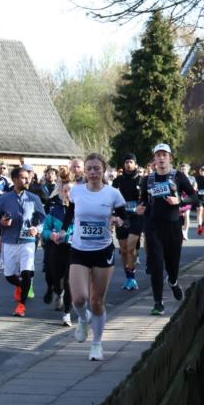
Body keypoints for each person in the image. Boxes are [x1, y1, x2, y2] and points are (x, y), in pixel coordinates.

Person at [56, 154, 128, 360]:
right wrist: (63, 231)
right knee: (79, 298)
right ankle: (82, 318)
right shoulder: (76, 191)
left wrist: (118, 221)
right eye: (89, 169)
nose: (93, 172)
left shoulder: (113, 194)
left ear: (103, 170)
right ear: (84, 171)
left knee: (97, 302)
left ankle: (96, 344)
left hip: (103, 250)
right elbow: (71, 213)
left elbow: (125, 218)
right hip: (79, 249)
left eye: (97, 168)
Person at [137, 143, 196, 316]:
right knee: (156, 265)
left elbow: (194, 197)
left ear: (170, 158)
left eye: (164, 155)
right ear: (154, 159)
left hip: (173, 226)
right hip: (153, 227)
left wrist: (180, 202)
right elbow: (143, 201)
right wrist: (141, 208)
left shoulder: (178, 176)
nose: (161, 158)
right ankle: (158, 303)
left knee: (172, 264)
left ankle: (173, 280)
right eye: (158, 155)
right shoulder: (147, 180)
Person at [0, 166, 46, 317]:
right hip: (9, 240)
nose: (26, 180)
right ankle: (21, 286)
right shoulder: (4, 198)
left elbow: (43, 218)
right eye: (23, 177)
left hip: (28, 241)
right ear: (15, 179)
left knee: (27, 273)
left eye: (27, 177)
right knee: (9, 275)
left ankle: (21, 306)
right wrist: (2, 223)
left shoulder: (33, 198)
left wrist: (37, 228)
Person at [43, 181, 75, 325]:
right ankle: (58, 292)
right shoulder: (54, 210)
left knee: (69, 281)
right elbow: (45, 230)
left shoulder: (81, 209)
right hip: (57, 248)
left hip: (74, 249)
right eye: (65, 190)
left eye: (71, 191)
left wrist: (68, 236)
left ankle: (67, 314)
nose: (68, 193)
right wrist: (52, 236)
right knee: (57, 278)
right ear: (61, 192)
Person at [113, 153, 145, 290]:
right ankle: (128, 277)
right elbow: (111, 198)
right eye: (126, 162)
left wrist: (142, 207)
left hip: (136, 218)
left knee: (131, 247)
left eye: (131, 161)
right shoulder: (118, 181)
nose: (128, 164)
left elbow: (147, 199)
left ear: (136, 164)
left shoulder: (142, 180)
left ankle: (132, 278)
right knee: (124, 249)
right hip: (121, 217)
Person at [178, 162, 197, 240]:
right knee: (179, 216)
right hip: (179, 199)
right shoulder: (177, 178)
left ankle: (185, 232)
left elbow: (195, 187)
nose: (183, 171)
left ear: (188, 170)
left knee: (187, 214)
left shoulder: (192, 178)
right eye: (182, 169)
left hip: (187, 198)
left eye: (185, 169)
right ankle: (180, 231)